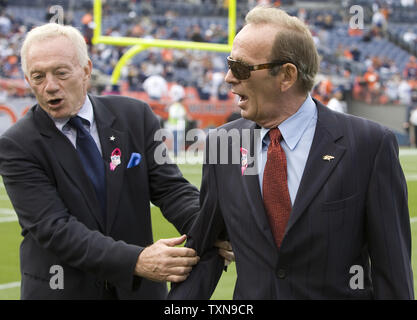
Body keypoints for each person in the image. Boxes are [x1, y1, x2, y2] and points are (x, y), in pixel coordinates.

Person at [169, 6, 414, 299]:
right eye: (229, 64)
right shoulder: (224, 144)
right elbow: (206, 251)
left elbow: (393, 273)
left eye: (242, 68)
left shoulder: (369, 145)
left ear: (286, 76)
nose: (228, 78)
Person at [0, 23, 226, 300]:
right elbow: (55, 229)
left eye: (61, 73)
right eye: (37, 76)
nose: (50, 87)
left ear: (86, 69)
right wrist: (136, 261)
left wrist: (208, 229)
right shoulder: (17, 143)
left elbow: (170, 189)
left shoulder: (135, 116)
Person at [166, 84, 187, 157]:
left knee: (176, 140)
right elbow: (180, 115)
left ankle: (176, 152)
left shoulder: (175, 106)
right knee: (177, 140)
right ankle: (176, 153)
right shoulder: (177, 106)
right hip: (177, 126)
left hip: (175, 126)